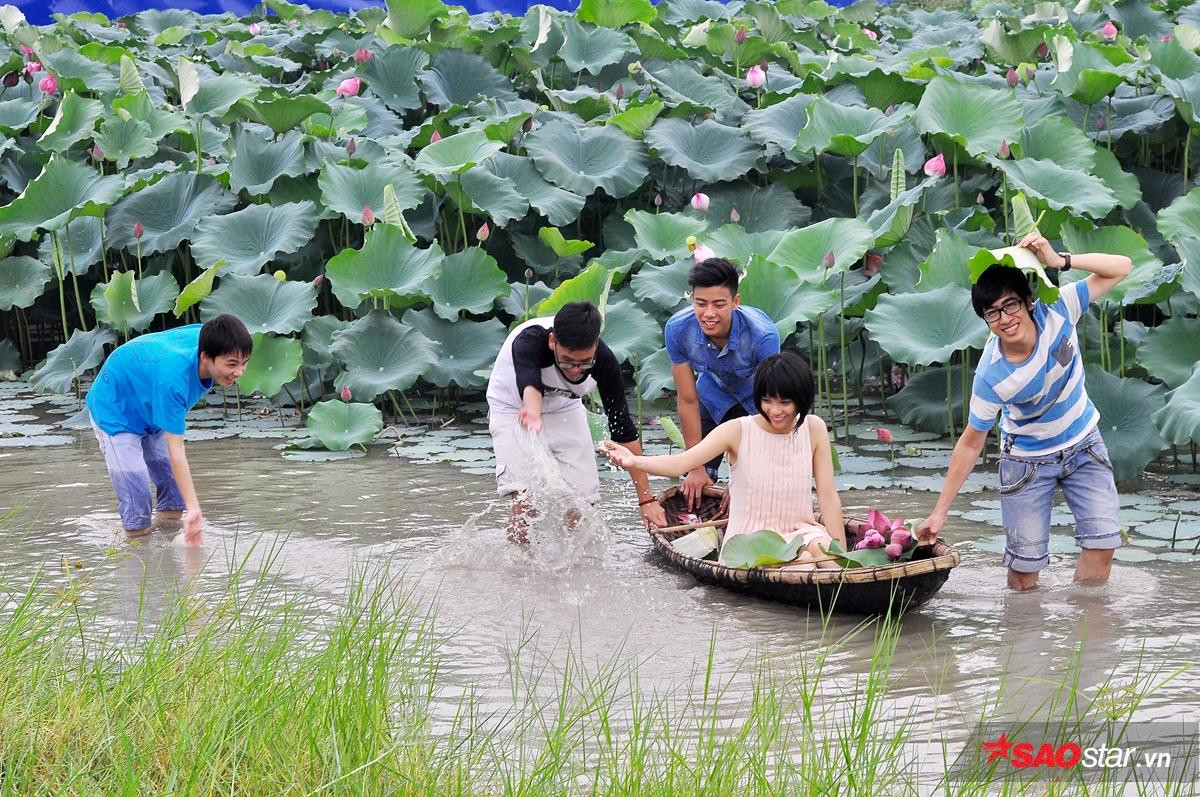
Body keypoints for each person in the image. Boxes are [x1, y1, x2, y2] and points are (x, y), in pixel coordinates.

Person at [916, 233, 1133, 590]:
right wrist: (940, 512)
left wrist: (1059, 260)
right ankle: (1024, 638)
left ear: (1029, 301)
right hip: (1028, 460)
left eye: (1011, 305)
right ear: (986, 319)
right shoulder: (992, 376)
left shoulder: (1060, 309)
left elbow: (1121, 268)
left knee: (1102, 545)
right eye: (993, 312)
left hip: (1084, 443)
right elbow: (971, 443)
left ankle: (1089, 636)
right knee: (1024, 572)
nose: (1004, 318)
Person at [602, 352, 846, 568]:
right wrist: (634, 460)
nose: (775, 410)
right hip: (750, 541)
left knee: (823, 552)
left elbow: (827, 494)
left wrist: (844, 558)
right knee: (803, 565)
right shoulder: (738, 431)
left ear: (801, 400)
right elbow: (681, 463)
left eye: (785, 402)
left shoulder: (813, 428)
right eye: (767, 400)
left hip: (801, 532)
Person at [486, 301, 667, 539]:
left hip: (564, 405)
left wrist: (647, 499)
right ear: (553, 342)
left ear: (594, 347)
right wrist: (532, 411)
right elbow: (529, 382)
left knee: (583, 501)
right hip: (514, 406)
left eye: (584, 362)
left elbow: (624, 430)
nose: (575, 370)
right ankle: (521, 568)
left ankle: (576, 564)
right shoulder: (530, 340)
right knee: (525, 500)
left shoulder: (604, 361)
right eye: (568, 361)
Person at [85, 314, 252, 545]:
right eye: (232, 364)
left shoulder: (215, 338)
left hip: (150, 396)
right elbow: (176, 451)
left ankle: (168, 543)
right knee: (136, 494)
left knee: (173, 487)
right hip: (114, 404)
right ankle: (138, 551)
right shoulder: (173, 381)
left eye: (244, 363)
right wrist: (195, 509)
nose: (239, 372)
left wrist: (187, 507)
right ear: (205, 356)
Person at [664, 257, 780, 509]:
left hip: (756, 404)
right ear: (691, 299)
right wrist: (695, 466)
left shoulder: (763, 336)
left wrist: (746, 478)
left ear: (735, 302)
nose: (708, 314)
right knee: (695, 485)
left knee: (758, 489)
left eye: (719, 304)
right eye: (700, 303)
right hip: (712, 397)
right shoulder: (677, 330)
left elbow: (773, 406)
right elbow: (687, 398)